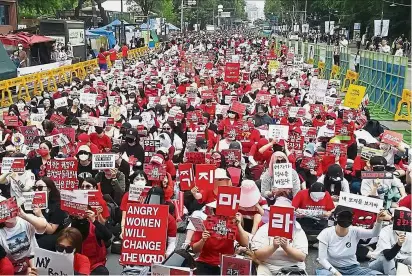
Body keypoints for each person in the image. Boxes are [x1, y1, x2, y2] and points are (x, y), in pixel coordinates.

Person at [316, 206, 386, 275]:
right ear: (335, 217)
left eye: (348, 217)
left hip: (353, 268)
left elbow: (374, 233)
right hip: (331, 269)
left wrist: (379, 221)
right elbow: (322, 259)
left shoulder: (355, 231)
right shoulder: (326, 233)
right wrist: (336, 273)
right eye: (342, 216)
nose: (345, 219)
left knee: (375, 274)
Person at [251, 196, 308, 275]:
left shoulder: (297, 229)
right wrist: (273, 247)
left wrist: (287, 248)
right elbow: (258, 255)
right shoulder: (264, 229)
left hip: (293, 267)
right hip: (268, 266)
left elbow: (301, 257)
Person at [0, 196, 47, 274]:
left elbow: (43, 227)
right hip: (14, 268)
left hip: (34, 261)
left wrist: (23, 215)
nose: (8, 213)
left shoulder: (24, 220)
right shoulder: (1, 232)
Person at [369, 207, 411, 275]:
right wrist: (398, 245)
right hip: (379, 261)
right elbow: (387, 256)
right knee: (388, 260)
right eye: (398, 220)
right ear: (392, 220)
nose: (402, 222)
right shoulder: (386, 230)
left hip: (401, 259)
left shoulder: (410, 233)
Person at [31, 177, 69, 251]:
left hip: (53, 235)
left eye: (40, 187)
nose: (36, 190)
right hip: (36, 232)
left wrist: (40, 215)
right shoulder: (32, 203)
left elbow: (51, 230)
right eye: (35, 187)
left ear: (49, 189)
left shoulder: (58, 206)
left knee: (38, 244)